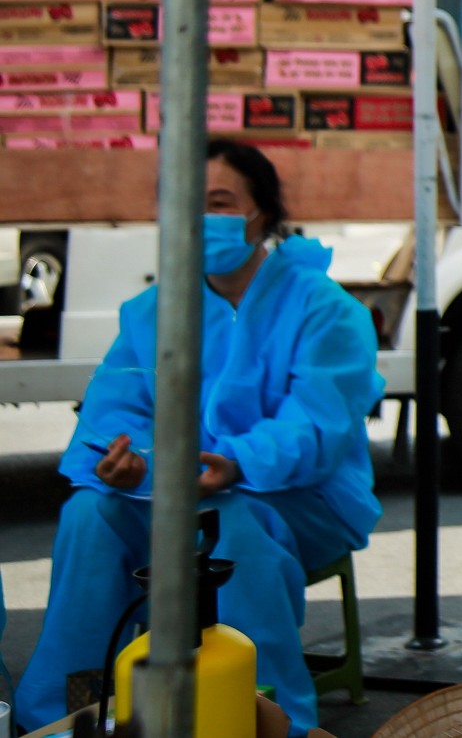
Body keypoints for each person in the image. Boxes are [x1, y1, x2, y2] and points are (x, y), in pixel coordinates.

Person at [18, 142, 382, 737]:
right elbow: (117, 406)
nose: (199, 218)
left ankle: (265, 716)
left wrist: (236, 461)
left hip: (300, 498)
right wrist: (128, 464)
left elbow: (318, 426)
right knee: (89, 513)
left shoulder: (325, 309)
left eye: (218, 202)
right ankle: (71, 713)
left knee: (226, 523)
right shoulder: (155, 310)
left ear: (261, 212)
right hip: (173, 492)